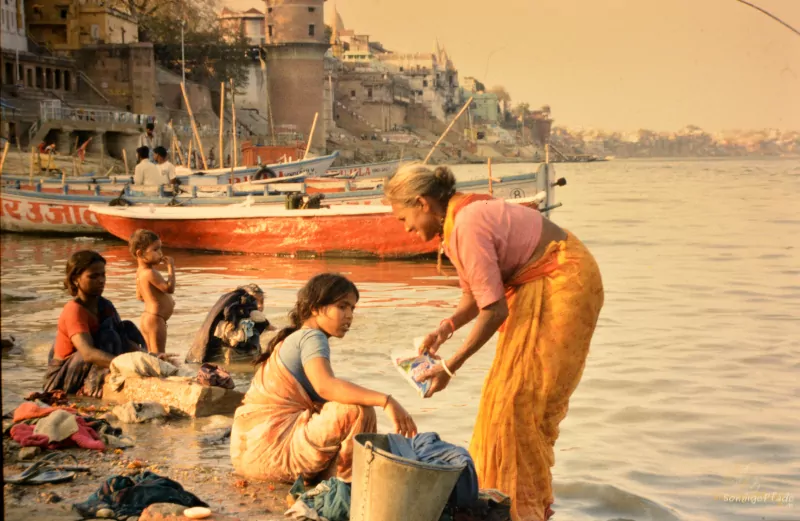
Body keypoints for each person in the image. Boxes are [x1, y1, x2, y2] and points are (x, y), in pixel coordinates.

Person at [383, 163, 604, 521]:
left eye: (403, 217)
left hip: (563, 281)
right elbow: (477, 297)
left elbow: (495, 309)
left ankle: (524, 508)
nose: (405, 228)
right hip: (545, 280)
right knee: (508, 401)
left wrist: (449, 366)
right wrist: (445, 328)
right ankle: (515, 503)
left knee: (520, 402)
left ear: (423, 203)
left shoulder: (467, 224)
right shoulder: (456, 223)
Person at [230, 273, 417, 483]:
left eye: (352, 309)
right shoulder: (312, 336)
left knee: (353, 402)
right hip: (271, 452)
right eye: (342, 307)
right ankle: (345, 486)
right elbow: (326, 387)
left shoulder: (297, 337)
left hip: (247, 453)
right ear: (316, 308)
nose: (349, 316)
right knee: (357, 411)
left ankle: (341, 481)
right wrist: (387, 401)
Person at [43, 251, 146, 396]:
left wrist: (147, 358)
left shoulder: (105, 306)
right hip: (62, 379)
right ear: (75, 280)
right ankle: (91, 390)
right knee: (107, 337)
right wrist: (125, 365)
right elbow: (87, 354)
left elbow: (124, 341)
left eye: (103, 275)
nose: (101, 280)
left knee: (126, 327)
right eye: (93, 276)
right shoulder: (74, 310)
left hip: (89, 366)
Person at [186, 284, 276, 364]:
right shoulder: (230, 319)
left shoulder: (259, 318)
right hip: (231, 354)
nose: (260, 306)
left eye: (262, 302)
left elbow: (273, 330)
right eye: (255, 301)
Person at [130, 229, 176, 355]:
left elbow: (139, 296)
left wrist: (158, 299)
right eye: (155, 250)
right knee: (159, 356)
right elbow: (169, 288)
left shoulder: (140, 272)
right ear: (140, 253)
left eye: (160, 249)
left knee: (151, 354)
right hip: (156, 319)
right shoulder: (150, 273)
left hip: (147, 318)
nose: (160, 253)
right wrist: (171, 267)